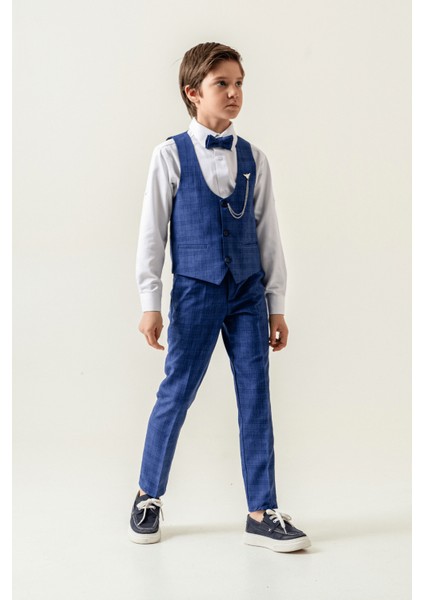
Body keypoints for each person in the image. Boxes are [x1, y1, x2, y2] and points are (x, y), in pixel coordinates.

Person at [128, 42, 311, 553]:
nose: (234, 93)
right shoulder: (170, 155)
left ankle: (261, 510)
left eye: (239, 84)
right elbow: (152, 234)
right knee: (177, 391)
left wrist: (276, 304)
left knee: (256, 395)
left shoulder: (255, 158)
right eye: (221, 84)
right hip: (195, 290)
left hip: (249, 293)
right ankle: (147, 495)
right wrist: (150, 301)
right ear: (193, 92)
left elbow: (268, 234)